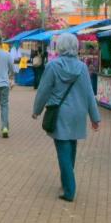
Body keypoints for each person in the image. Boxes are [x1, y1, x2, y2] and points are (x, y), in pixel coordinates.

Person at [32, 33, 100, 202]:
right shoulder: (82, 67)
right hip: (78, 112)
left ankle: (69, 190)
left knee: (63, 149)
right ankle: (66, 182)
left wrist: (37, 110)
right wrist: (94, 117)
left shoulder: (53, 66)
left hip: (60, 113)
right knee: (71, 148)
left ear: (60, 47)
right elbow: (89, 93)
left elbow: (43, 90)